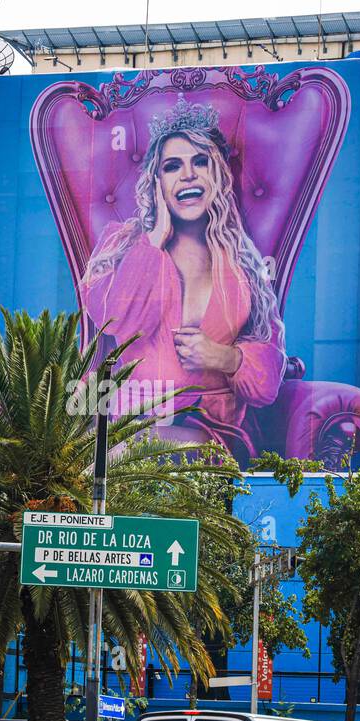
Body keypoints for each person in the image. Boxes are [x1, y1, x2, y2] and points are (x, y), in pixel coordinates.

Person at [79, 96, 286, 457]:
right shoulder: (123, 243)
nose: (188, 174)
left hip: (205, 426)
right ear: (155, 182)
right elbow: (115, 320)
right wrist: (154, 239)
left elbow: (269, 375)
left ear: (216, 174)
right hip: (125, 416)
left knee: (124, 448)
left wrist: (226, 358)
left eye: (199, 162)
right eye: (172, 166)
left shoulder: (244, 265)